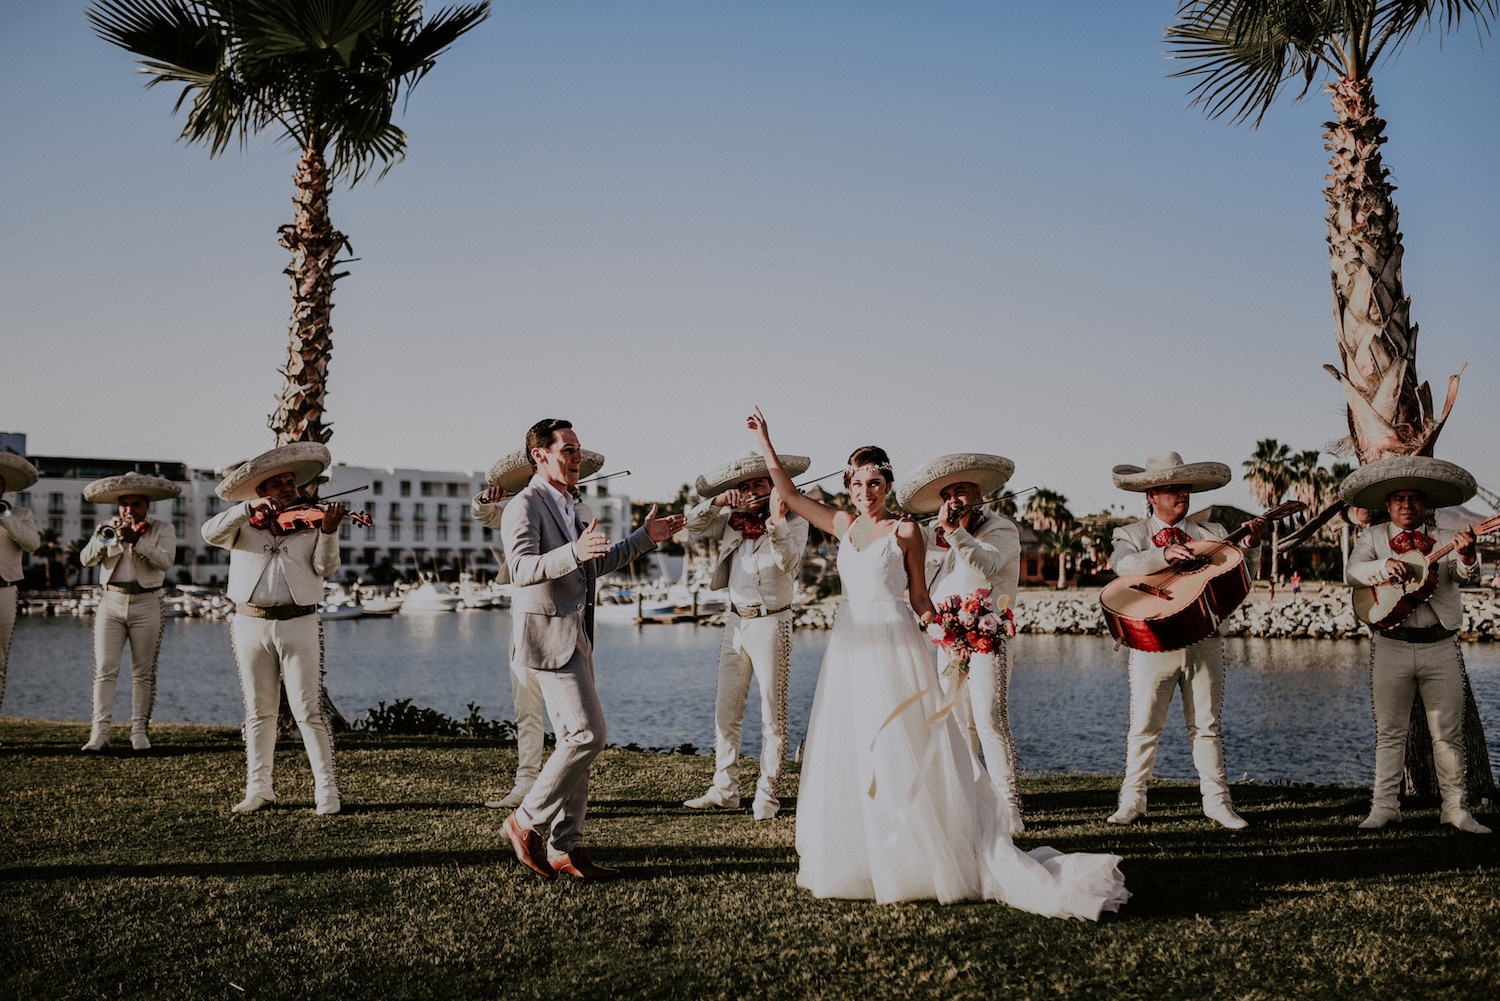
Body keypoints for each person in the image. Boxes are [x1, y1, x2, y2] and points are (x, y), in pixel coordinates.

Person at [748, 407, 1127, 918]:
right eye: (859, 484)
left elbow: (921, 597)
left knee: (906, 742)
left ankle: (925, 849)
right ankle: (865, 850)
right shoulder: (841, 524)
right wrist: (767, 441)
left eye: (876, 482)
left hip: (896, 645)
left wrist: (947, 636)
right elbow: (789, 495)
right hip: (850, 647)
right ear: (848, 486)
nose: (867, 492)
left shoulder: (906, 531)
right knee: (855, 745)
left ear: (888, 484)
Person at [499, 419, 683, 881]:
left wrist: (646, 538)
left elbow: (595, 563)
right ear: (539, 455)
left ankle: (566, 848)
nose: (577, 457)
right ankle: (525, 823)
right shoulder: (522, 506)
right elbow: (520, 569)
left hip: (578, 636)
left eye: (579, 449)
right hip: (548, 641)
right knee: (587, 736)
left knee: (574, 743)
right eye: (568, 449)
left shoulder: (569, 507)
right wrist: (574, 553)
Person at [1106, 451, 1265, 830]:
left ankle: (1218, 803)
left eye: (1185, 488)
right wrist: (1162, 554)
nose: (1182, 494)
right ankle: (1132, 802)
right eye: (1172, 488)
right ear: (1151, 495)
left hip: (1204, 638)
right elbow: (1122, 565)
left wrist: (1254, 546)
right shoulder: (1128, 534)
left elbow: (1241, 576)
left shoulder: (1212, 534)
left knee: (1207, 725)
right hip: (1151, 640)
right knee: (1144, 725)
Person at [1341, 456, 1489, 834]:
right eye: (1399, 498)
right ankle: (1384, 807)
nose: (1407, 504)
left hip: (1441, 646)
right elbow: (1353, 573)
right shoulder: (1373, 538)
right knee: (1390, 732)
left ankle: (1456, 809)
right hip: (1390, 644)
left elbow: (1466, 577)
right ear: (1388, 505)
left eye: (1415, 499)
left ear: (1427, 506)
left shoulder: (1445, 540)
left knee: (1448, 734)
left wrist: (1468, 555)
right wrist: (1383, 566)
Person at [202, 442, 345, 815]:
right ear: (261, 491)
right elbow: (208, 533)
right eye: (278, 483)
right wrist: (246, 510)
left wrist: (328, 533)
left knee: (308, 710)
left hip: (300, 621)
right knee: (258, 710)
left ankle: (327, 792)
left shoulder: (313, 520)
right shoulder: (240, 523)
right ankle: (258, 789)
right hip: (250, 622)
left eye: (291, 482)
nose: (288, 487)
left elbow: (326, 569)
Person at [897, 453, 1025, 831]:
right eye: (947, 494)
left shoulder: (1002, 529)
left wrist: (954, 532)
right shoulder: (944, 539)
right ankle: (971, 802)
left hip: (989, 638)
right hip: (951, 640)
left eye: (962, 493)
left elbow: (984, 566)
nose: (953, 501)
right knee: (956, 722)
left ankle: (1010, 807)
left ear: (979, 495)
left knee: (989, 718)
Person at [682, 449, 811, 820]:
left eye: (760, 484)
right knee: (727, 711)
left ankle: (767, 794)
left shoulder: (795, 521)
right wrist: (720, 501)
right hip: (734, 623)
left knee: (773, 714)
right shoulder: (729, 519)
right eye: (746, 485)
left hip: (774, 623)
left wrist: (777, 520)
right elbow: (691, 524)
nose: (753, 490)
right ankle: (725, 790)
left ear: (774, 487)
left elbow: (790, 564)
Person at [473, 445, 604, 811]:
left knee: (572, 724)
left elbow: (592, 559)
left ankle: (553, 800)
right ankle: (526, 783)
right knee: (526, 707)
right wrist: (485, 501)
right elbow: (489, 518)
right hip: (527, 618)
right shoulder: (525, 504)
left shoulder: (580, 512)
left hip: (566, 625)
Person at [78, 473, 182, 751]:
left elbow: (165, 562)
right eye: (124, 504)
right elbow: (85, 560)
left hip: (147, 602)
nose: (129, 510)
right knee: (104, 669)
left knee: (143, 672)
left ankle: (139, 732)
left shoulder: (163, 528)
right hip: (110, 601)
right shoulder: (105, 527)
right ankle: (99, 734)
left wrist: (138, 540)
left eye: (135, 504)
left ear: (146, 505)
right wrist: (104, 539)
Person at [0, 452, 42, 713]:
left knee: (0, 662)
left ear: (4, 488)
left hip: (4, 590)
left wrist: (6, 518)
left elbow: (32, 544)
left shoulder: (21, 514)